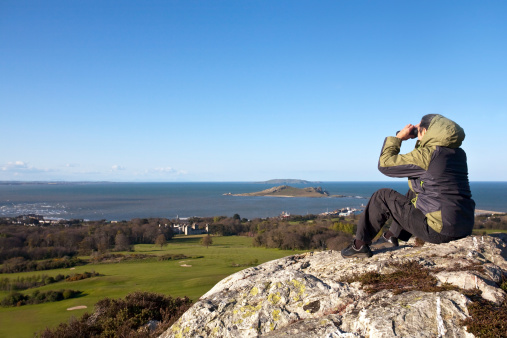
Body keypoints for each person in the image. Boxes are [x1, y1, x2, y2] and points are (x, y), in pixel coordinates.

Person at [341, 114, 475, 258]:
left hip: (439, 231)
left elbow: (385, 164)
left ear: (426, 131)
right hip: (463, 226)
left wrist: (398, 138)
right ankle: (392, 235)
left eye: (419, 128)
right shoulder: (458, 154)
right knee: (415, 192)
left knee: (383, 196)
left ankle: (359, 245)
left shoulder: (428, 155)